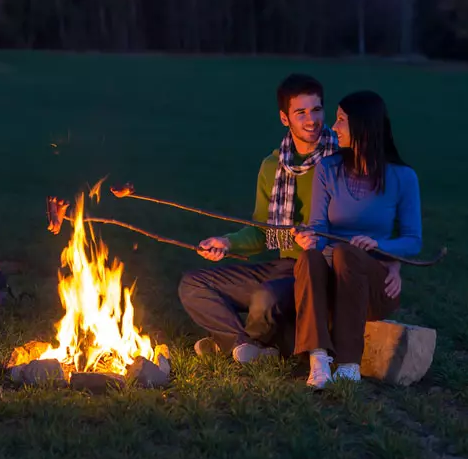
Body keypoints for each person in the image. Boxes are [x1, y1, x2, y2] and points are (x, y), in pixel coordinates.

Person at [178, 73, 348, 363]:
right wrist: (226, 243)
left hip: (321, 270)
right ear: (285, 118)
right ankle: (245, 345)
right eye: (301, 112)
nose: (311, 120)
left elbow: (360, 221)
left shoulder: (343, 159)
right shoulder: (273, 166)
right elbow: (261, 231)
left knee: (265, 299)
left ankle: (233, 343)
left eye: (317, 110)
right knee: (193, 284)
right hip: (283, 267)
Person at [292, 90, 421, 388]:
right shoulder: (328, 168)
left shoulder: (403, 177)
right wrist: (311, 240)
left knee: (346, 254)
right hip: (332, 279)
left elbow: (413, 241)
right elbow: (318, 226)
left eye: (341, 120)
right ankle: (319, 360)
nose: (333, 127)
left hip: (373, 284)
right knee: (310, 257)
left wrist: (380, 247)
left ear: (363, 126)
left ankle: (349, 365)